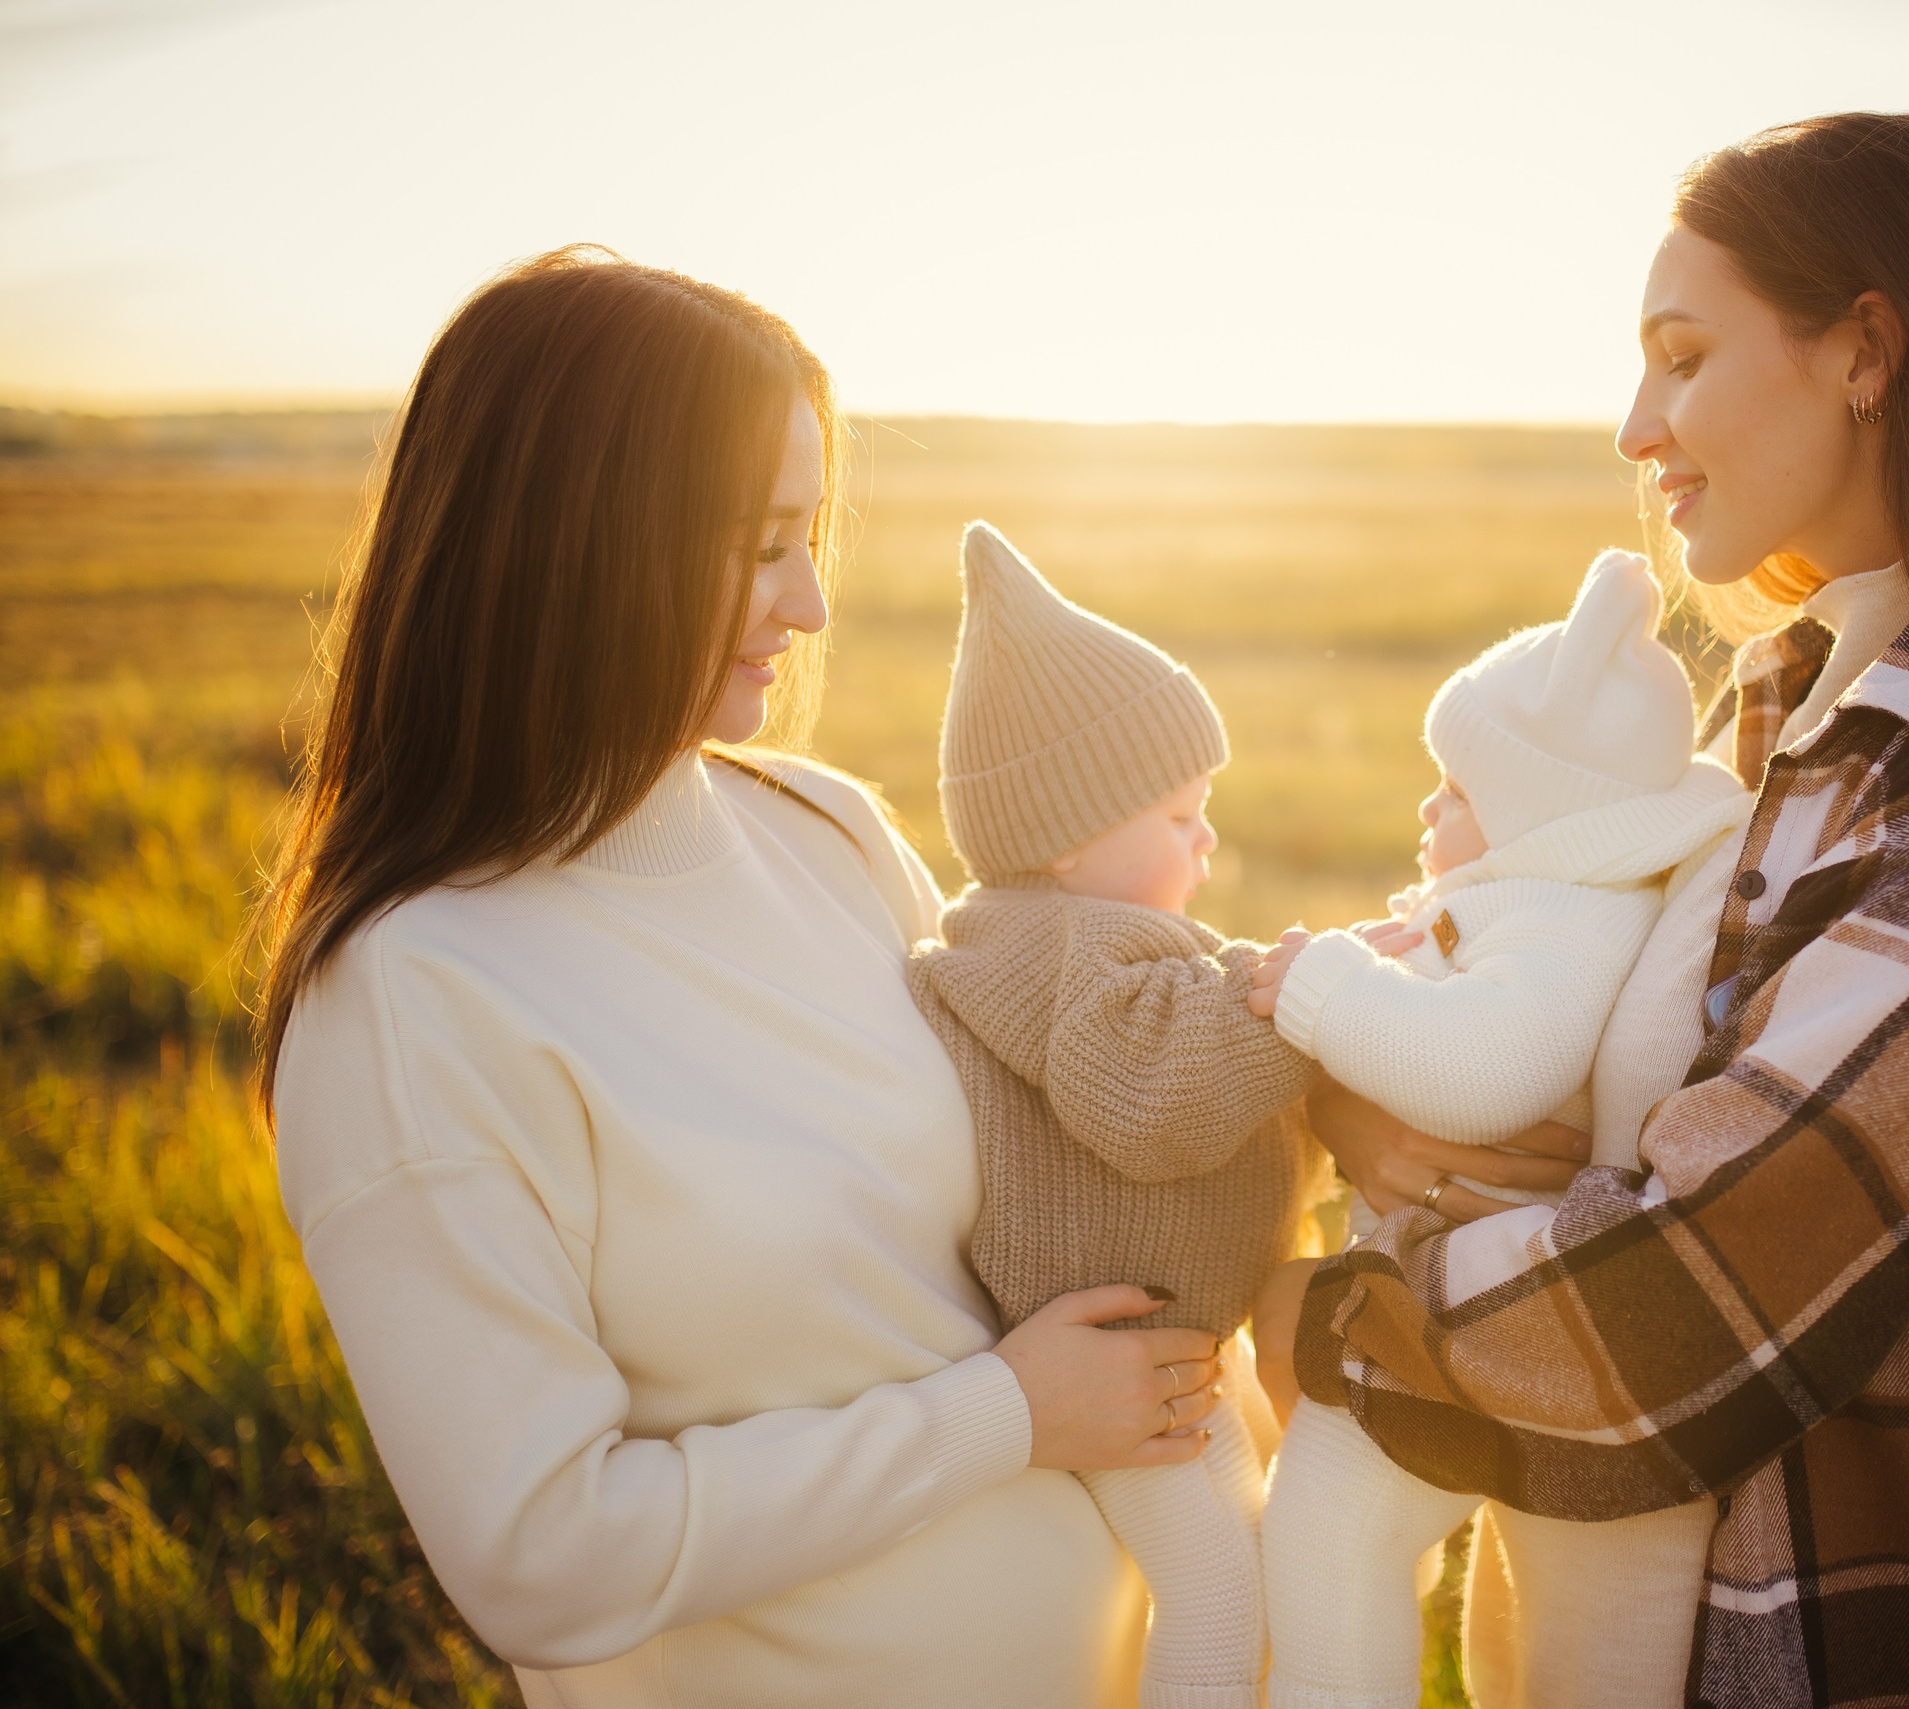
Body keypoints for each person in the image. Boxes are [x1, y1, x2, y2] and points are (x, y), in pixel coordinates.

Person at [1264, 112, 1909, 1709]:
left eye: (1682, 356)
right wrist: (1380, 1107)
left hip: (1901, 1652)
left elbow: (1712, 1280)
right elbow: (1617, 1077)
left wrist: (1333, 1322)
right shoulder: (1794, 696)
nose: (1635, 426)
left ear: (1865, 352)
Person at [256, 247, 1220, 1707]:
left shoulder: (826, 830)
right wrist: (1005, 1415)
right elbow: (545, 1557)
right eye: (759, 543)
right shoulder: (411, 997)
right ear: (579, 544)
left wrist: (1352, 1095)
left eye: (808, 533)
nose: (811, 602)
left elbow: (1064, 1130)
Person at [1246, 547, 1753, 1709]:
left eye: (1458, 791)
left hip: (1489, 1317)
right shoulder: (1539, 895)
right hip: (1451, 1298)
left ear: (1540, 813)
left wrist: (1326, 990)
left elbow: (1487, 1068)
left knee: (1327, 1537)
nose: (1428, 808)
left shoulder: (1566, 918)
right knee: (1326, 1537)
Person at [905, 520, 1330, 1709]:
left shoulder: (1053, 942)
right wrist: (1285, 1001)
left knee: (1244, 1558)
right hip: (1117, 1356)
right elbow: (1149, 1095)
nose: (1207, 839)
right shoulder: (1069, 951)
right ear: (1067, 837)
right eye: (1180, 815)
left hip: (1162, 1349)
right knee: (1215, 1591)